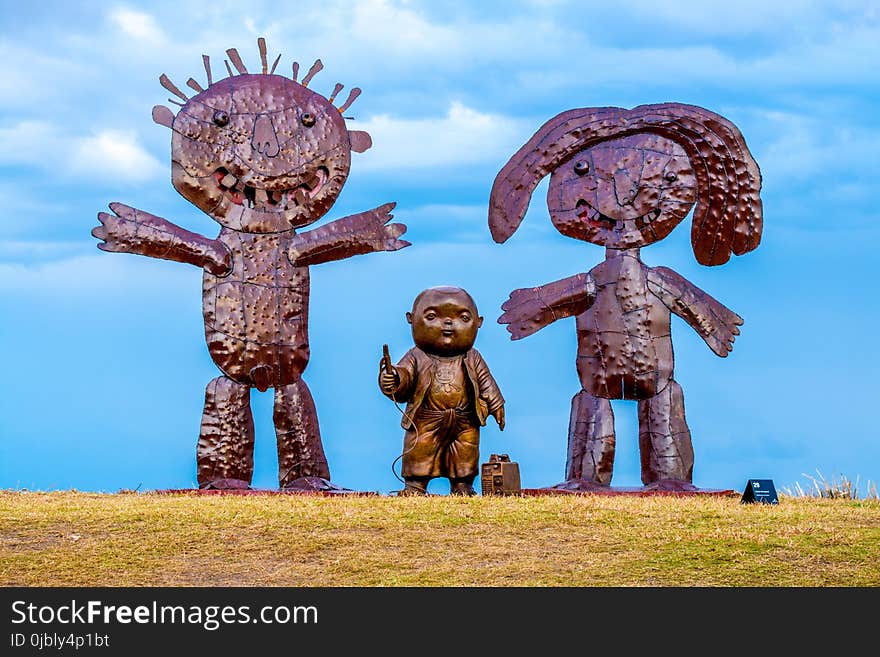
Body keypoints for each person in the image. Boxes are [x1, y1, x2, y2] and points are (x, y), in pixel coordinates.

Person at [379, 287, 505, 495]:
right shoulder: (416, 356)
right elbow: (404, 377)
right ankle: (415, 486)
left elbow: (486, 382)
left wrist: (496, 404)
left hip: (465, 419)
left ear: (478, 323)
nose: (447, 324)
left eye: (462, 317)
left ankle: (463, 485)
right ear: (411, 319)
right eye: (432, 316)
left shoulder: (472, 357)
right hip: (426, 418)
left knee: (465, 451)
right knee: (421, 449)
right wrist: (394, 378)